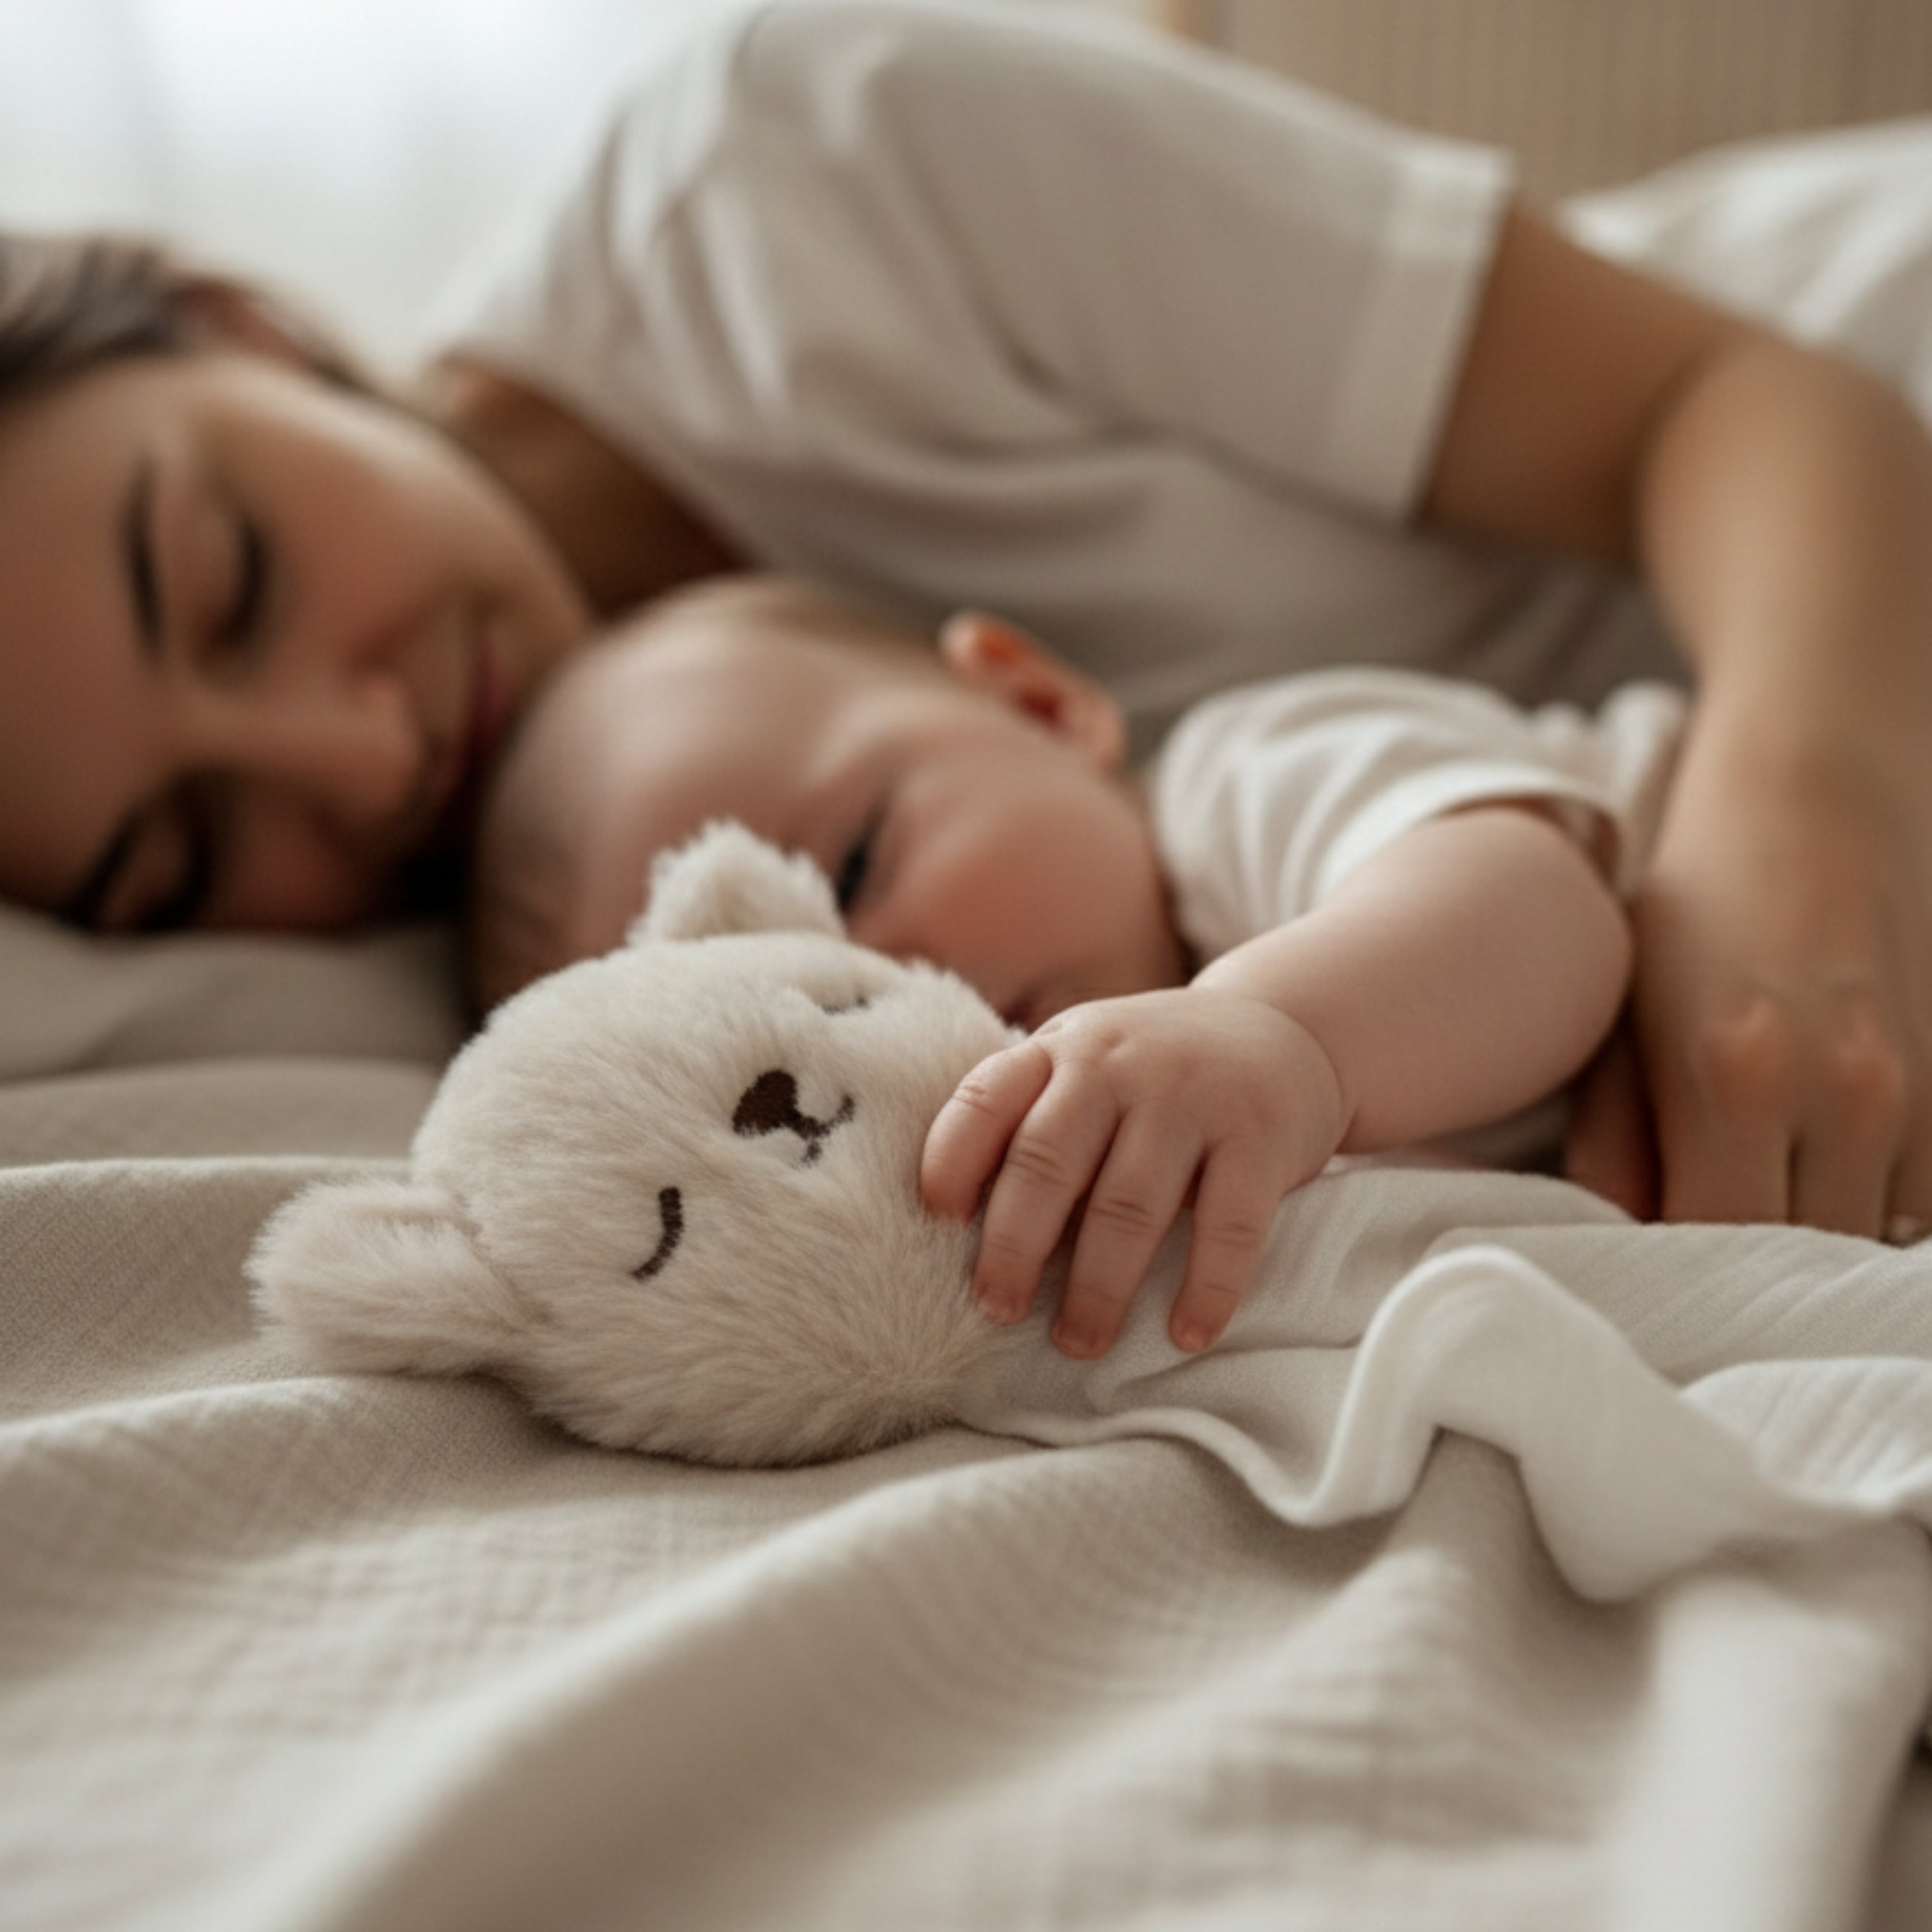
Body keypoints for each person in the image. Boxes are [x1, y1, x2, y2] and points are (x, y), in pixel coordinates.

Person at [2, 1, 1931, 1242]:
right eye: (186, 848)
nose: (353, 763)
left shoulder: (797, 175)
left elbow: (1737, 410)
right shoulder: (545, 947)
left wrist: (1793, 839)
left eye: (229, 577)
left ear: (237, 322)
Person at [469, 572, 1679, 1361]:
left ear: (1037, 703)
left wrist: (1280, 1031)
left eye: (851, 868)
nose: (889, 994)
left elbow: (1538, 912)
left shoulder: (1241, 787)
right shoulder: (1039, 1203)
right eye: (800, 1005)